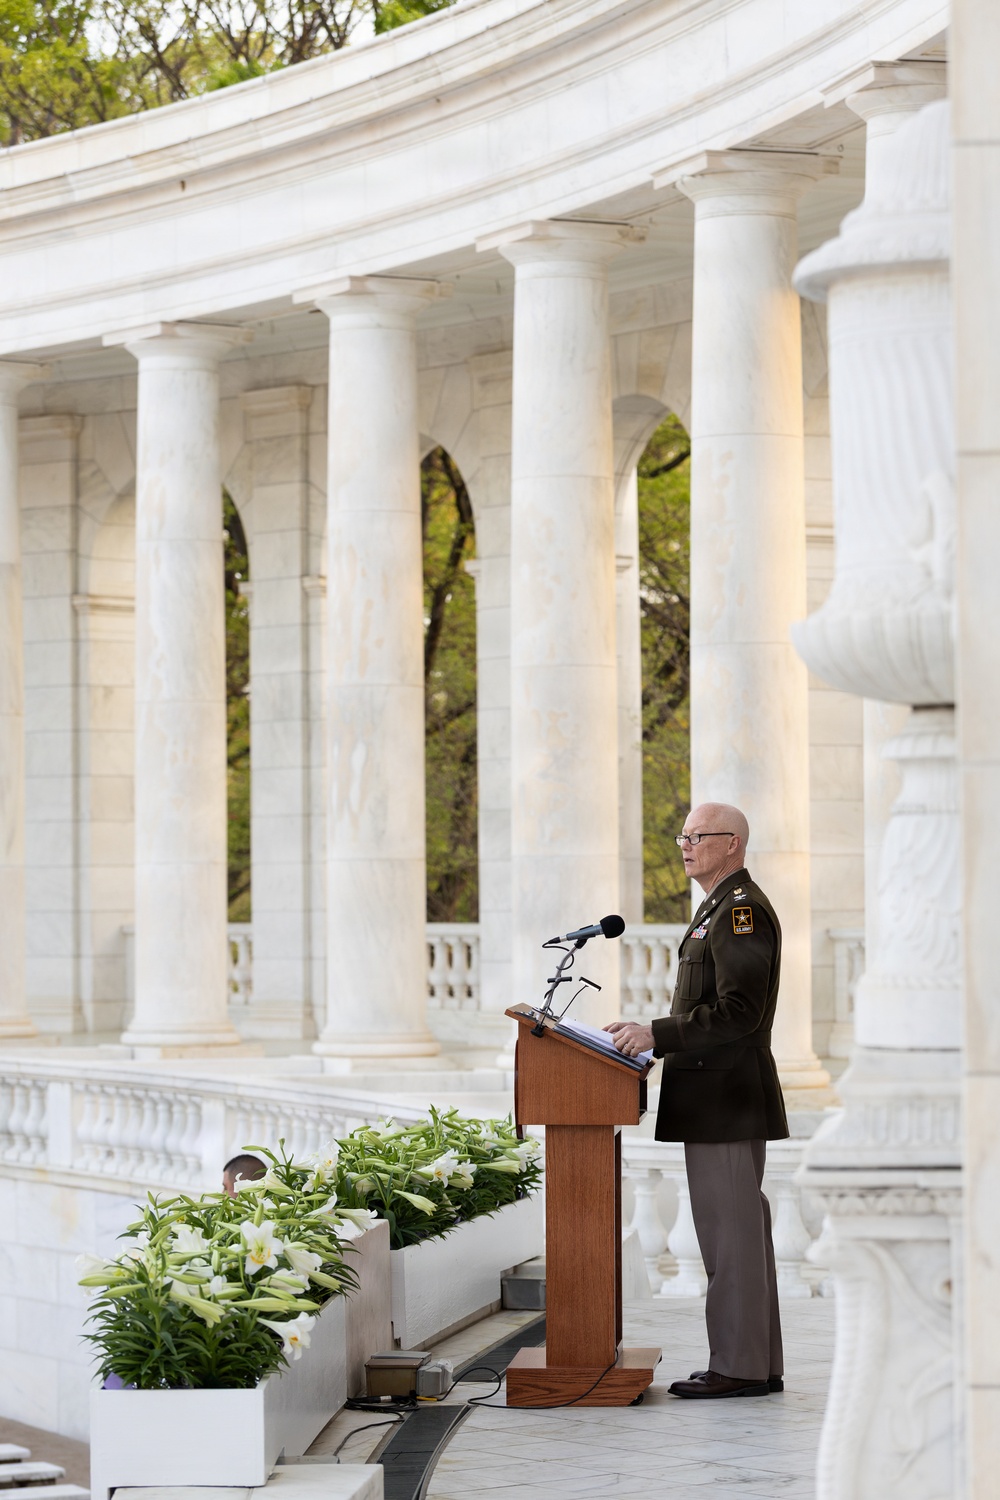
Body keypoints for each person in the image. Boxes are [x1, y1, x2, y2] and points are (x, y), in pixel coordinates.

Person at [606, 802, 788, 1399]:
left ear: (732, 843)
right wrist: (652, 1036)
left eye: (697, 836)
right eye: (682, 836)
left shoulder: (739, 911)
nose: (685, 846)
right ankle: (755, 1363)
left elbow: (740, 1012)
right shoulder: (718, 906)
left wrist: (657, 1035)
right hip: (717, 1097)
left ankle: (740, 1368)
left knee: (731, 1238)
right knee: (735, 1236)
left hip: (727, 1099)